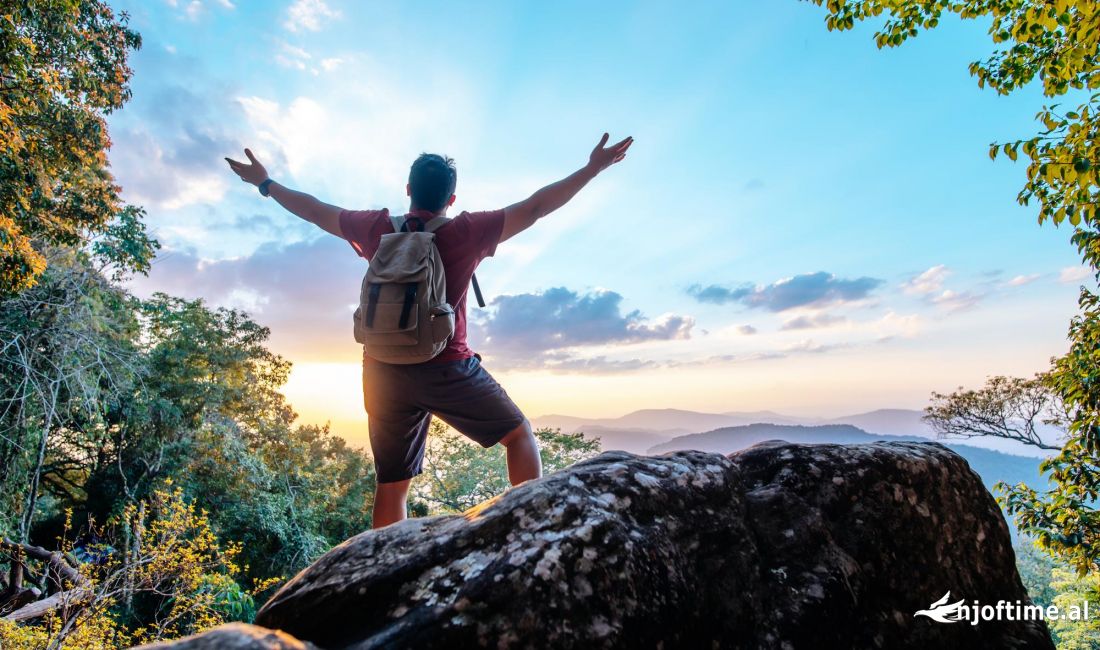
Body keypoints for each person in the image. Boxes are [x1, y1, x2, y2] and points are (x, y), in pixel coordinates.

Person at [225, 133, 633, 528]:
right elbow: (536, 207)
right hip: (448, 366)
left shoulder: (377, 227)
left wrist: (266, 183)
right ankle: (531, 529)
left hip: (382, 371)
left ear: (408, 190)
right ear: (451, 199)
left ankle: (384, 564)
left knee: (391, 485)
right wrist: (592, 169)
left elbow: (316, 210)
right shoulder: (466, 231)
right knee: (519, 435)